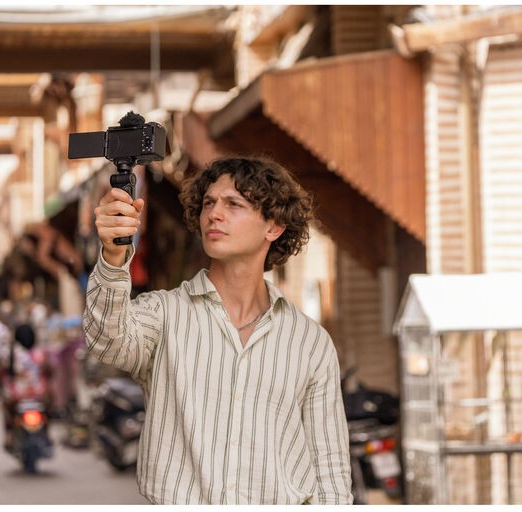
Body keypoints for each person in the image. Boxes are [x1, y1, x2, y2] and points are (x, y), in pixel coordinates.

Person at [83, 156, 352, 504]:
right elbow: (106, 341)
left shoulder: (310, 342)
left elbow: (329, 466)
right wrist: (112, 255)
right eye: (209, 203)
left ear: (273, 227)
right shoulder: (164, 315)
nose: (214, 214)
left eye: (233, 204)